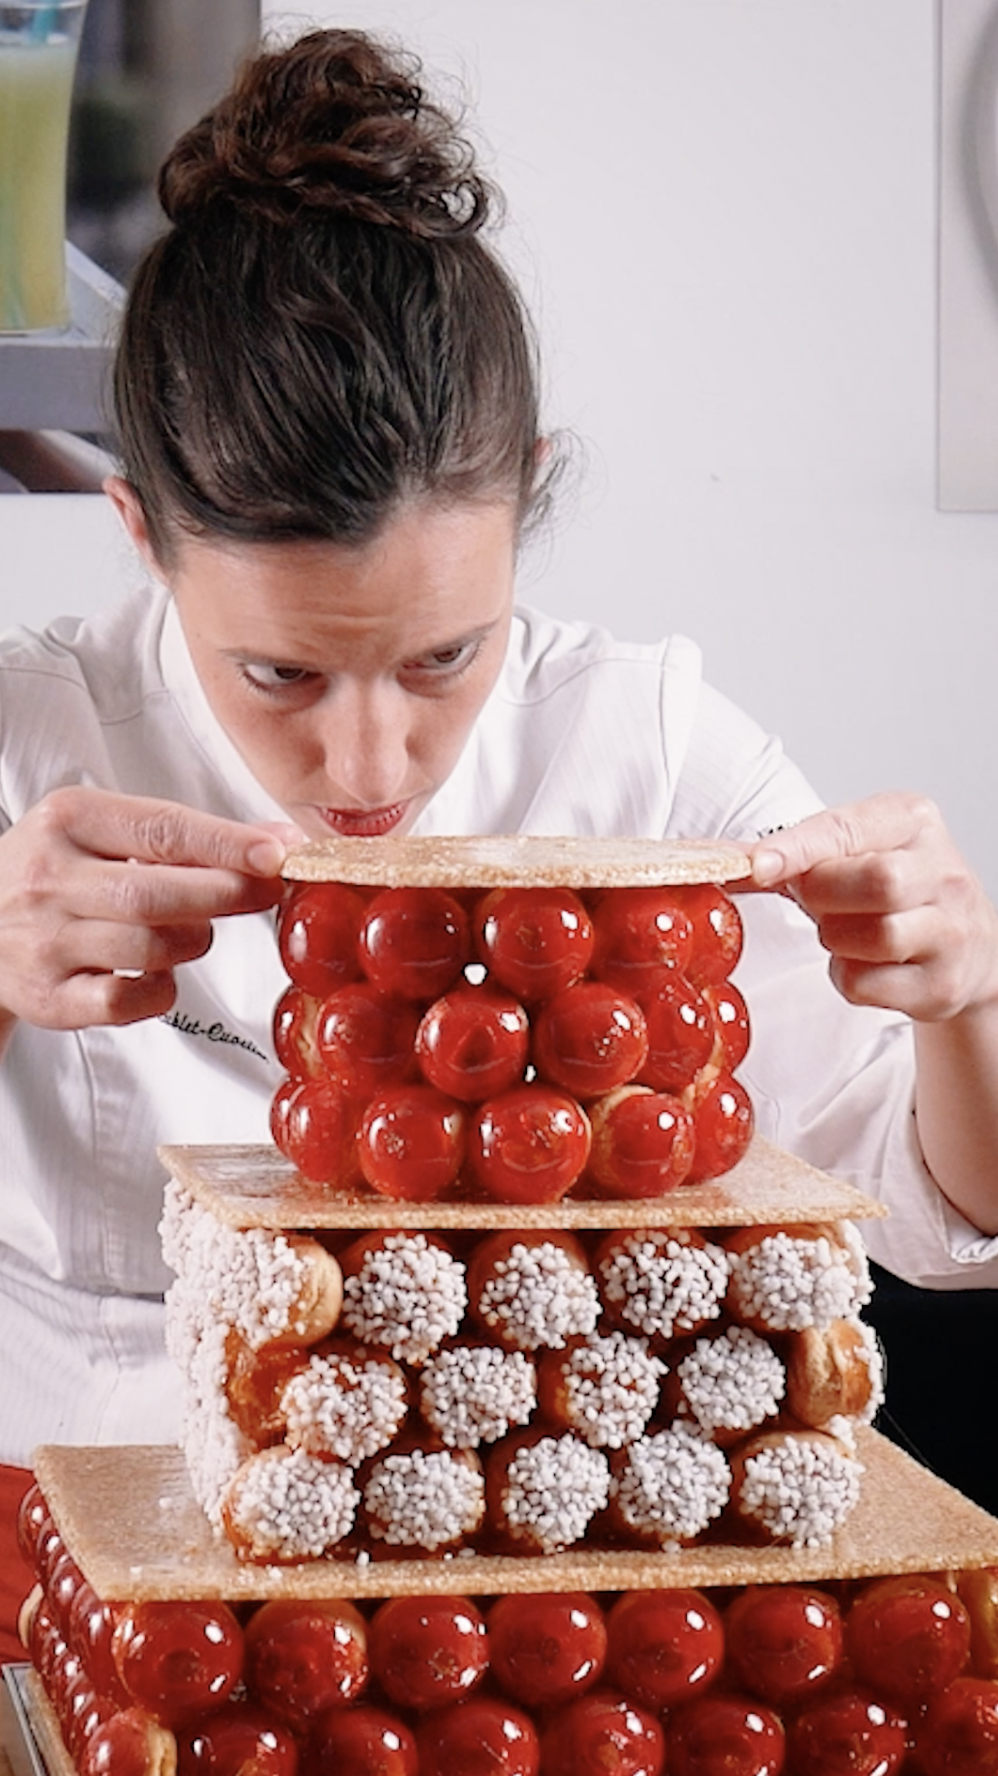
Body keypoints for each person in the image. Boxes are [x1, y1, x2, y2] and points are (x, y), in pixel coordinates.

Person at [2, 26, 998, 1656]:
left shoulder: (650, 745)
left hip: (542, 1592)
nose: (368, 759)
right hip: (84, 1573)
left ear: (525, 505)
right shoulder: (22, 746)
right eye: (279, 673)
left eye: (443, 658)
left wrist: (963, 996)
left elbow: (949, 1223)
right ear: (140, 538)